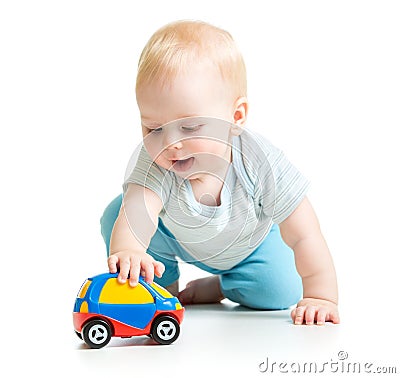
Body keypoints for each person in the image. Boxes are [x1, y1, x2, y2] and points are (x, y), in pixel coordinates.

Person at [100, 20, 340, 325]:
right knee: (117, 214)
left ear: (235, 117)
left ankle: (223, 285)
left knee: (280, 289)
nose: (170, 143)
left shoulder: (259, 162)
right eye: (154, 128)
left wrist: (321, 295)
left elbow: (305, 232)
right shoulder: (155, 158)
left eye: (189, 127)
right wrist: (129, 250)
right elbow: (138, 210)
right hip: (175, 237)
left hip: (248, 248)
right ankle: (160, 288)